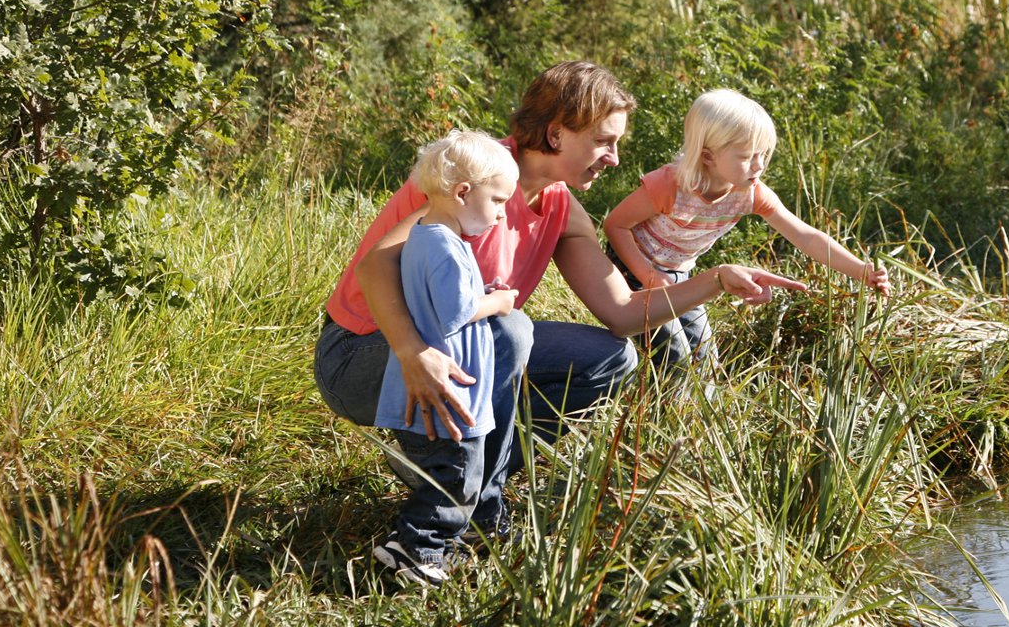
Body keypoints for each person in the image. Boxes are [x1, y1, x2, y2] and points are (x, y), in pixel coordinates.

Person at [313, 62, 805, 545]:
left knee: (613, 358)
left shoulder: (561, 208)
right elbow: (375, 267)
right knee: (510, 331)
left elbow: (623, 312)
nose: (613, 158)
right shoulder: (469, 171)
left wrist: (717, 279)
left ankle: (452, 468)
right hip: (364, 353)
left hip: (463, 352)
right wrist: (411, 351)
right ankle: (452, 494)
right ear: (556, 135)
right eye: (603, 141)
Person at [602, 88, 891, 366]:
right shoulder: (670, 186)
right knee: (674, 353)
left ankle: (694, 413)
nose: (759, 165)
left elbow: (807, 236)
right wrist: (649, 276)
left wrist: (861, 271)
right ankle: (651, 406)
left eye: (763, 154)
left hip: (679, 273)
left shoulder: (750, 193)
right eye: (746, 157)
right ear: (708, 156)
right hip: (632, 267)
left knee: (704, 357)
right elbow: (615, 225)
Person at [370, 130, 520, 586]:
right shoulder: (444, 245)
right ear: (462, 193)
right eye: (497, 201)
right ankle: (415, 549)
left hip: (444, 390)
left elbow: (442, 300)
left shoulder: (426, 235)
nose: (501, 213)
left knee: (449, 470)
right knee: (456, 476)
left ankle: (431, 548)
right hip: (451, 394)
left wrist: (483, 292)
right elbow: (456, 312)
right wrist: (498, 303)